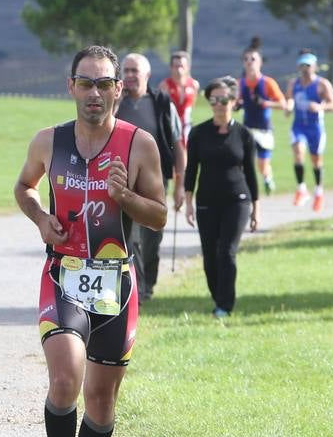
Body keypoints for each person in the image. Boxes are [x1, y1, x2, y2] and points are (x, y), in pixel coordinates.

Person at [14, 44, 167, 437]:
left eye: (105, 84)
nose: (95, 94)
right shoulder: (48, 141)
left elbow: (160, 215)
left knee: (100, 402)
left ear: (119, 90)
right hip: (63, 274)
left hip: (116, 284)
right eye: (87, 83)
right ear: (71, 87)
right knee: (65, 379)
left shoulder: (138, 144)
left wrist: (125, 197)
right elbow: (24, 187)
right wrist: (40, 218)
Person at [184, 76, 260, 319]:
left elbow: (251, 173)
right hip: (206, 200)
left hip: (237, 200)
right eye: (214, 99)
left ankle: (225, 305)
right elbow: (191, 170)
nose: (219, 104)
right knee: (209, 255)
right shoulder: (198, 133)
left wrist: (256, 209)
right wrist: (187, 202)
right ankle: (218, 297)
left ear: (234, 101)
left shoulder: (244, 134)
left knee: (226, 251)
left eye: (224, 99)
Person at [114, 53, 185, 302]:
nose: (130, 75)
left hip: (154, 180)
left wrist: (180, 185)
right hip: (120, 182)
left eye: (135, 71)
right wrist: (114, 103)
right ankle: (137, 289)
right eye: (126, 70)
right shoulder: (113, 102)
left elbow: (178, 144)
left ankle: (149, 285)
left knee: (151, 239)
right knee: (128, 238)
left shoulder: (162, 102)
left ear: (147, 75)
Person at [286, 51, 333, 212]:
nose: (305, 69)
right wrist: (288, 106)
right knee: (298, 152)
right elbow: (289, 98)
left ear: (315, 67)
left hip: (315, 128)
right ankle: (301, 189)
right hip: (298, 126)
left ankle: (318, 192)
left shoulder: (322, 84)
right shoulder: (293, 84)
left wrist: (320, 107)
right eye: (302, 65)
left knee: (316, 160)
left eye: (308, 66)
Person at [238, 42, 287, 195]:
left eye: (253, 59)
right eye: (246, 59)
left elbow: (282, 104)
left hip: (264, 129)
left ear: (259, 62)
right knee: (244, 162)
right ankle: (246, 190)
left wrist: (266, 103)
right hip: (247, 128)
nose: (249, 62)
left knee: (262, 164)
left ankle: (267, 178)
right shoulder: (240, 84)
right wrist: (236, 105)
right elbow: (236, 102)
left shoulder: (267, 83)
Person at [158, 50, 200, 143]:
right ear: (171, 67)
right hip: (171, 126)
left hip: (187, 125)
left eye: (182, 66)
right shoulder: (165, 85)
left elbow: (192, 106)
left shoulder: (194, 84)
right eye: (176, 66)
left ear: (187, 67)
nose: (179, 70)